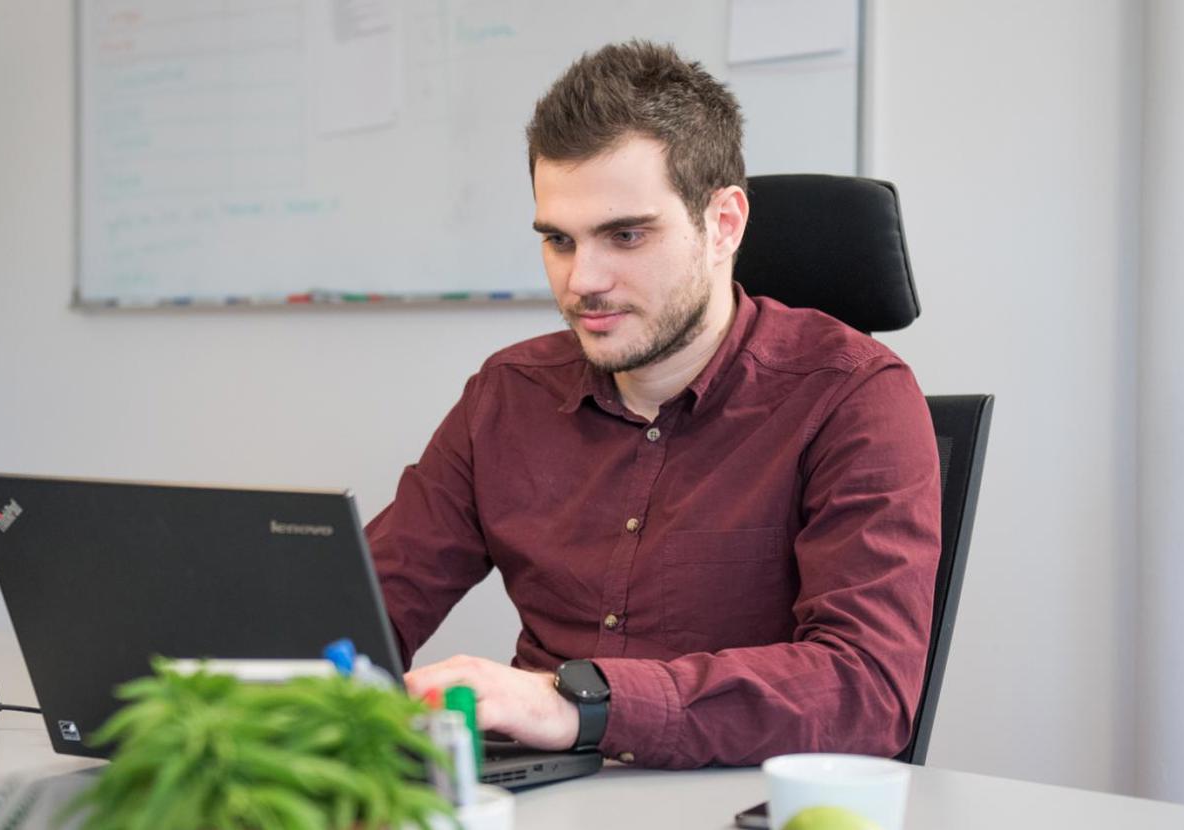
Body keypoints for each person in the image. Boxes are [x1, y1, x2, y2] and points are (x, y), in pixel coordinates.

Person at [366, 40, 943, 769]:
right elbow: (372, 603)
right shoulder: (507, 394)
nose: (584, 281)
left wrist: (578, 704)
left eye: (626, 235)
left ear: (724, 224)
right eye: (558, 240)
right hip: (539, 801)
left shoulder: (854, 395)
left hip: (734, 799)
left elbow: (868, 692)